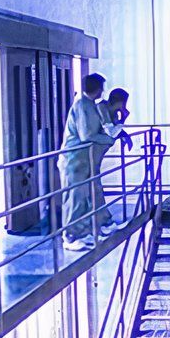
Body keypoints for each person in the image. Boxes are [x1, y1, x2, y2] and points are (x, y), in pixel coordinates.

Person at [59, 74, 118, 250]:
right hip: (74, 159)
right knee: (75, 197)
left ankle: (91, 229)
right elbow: (86, 135)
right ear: (98, 88)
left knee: (90, 194)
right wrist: (108, 139)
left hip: (84, 158)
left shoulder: (90, 105)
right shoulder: (82, 105)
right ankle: (70, 236)